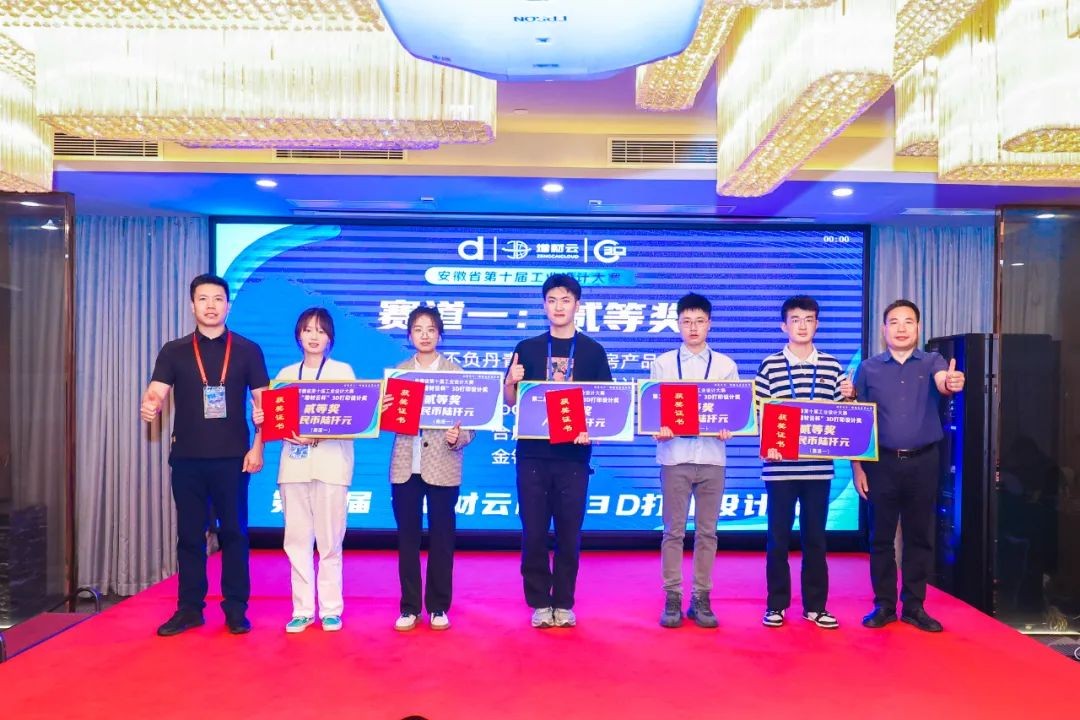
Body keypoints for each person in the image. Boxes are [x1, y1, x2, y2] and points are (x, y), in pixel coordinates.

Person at [141, 273, 269, 636]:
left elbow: (264, 405)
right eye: (203, 299)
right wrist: (150, 405)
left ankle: (236, 609)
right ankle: (189, 609)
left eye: (217, 299)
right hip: (187, 459)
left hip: (233, 459)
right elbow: (156, 392)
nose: (211, 306)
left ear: (228, 305)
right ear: (192, 305)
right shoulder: (174, 350)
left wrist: (258, 446)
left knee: (235, 534)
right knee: (189, 536)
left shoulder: (248, 350)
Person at [844, 299, 965, 632]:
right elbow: (856, 421)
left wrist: (951, 382)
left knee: (919, 536)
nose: (901, 328)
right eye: (894, 322)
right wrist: (857, 468)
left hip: (923, 461)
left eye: (908, 322)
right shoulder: (868, 368)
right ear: (883, 329)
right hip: (880, 463)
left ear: (918, 328)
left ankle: (914, 606)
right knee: (880, 538)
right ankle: (883, 605)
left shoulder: (933, 361)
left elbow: (944, 382)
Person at [504, 274, 612, 629]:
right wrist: (511, 382)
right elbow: (509, 400)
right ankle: (539, 601)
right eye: (551, 300)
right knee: (533, 532)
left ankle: (564, 602)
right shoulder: (527, 347)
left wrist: (593, 431)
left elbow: (606, 404)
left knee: (569, 533)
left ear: (577, 305)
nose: (558, 306)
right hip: (532, 456)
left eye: (565, 300)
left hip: (574, 458)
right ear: (543, 306)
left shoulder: (593, 351)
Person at [254, 308, 355, 633]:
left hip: (331, 466)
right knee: (296, 540)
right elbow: (276, 420)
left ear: (330, 338)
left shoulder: (342, 372)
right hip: (294, 468)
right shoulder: (286, 374)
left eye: (321, 331)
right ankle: (302, 609)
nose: (314, 336)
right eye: (308, 330)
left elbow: (355, 420)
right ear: (298, 335)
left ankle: (331, 609)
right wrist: (264, 420)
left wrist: (320, 434)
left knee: (330, 541)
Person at [754, 295, 847, 630]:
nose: (802, 326)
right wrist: (767, 444)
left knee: (815, 540)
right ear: (784, 326)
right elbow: (760, 412)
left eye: (808, 319)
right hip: (779, 469)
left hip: (818, 470)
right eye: (795, 320)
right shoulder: (770, 365)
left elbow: (842, 416)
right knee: (777, 539)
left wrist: (850, 396)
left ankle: (815, 606)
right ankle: (776, 605)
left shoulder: (833, 366)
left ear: (817, 324)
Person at [650, 293, 737, 629]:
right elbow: (653, 410)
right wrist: (659, 428)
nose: (693, 328)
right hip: (675, 458)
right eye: (686, 322)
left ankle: (701, 597)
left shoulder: (726, 366)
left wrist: (730, 427)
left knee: (707, 533)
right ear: (677, 325)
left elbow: (736, 413)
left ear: (709, 324)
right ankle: (672, 596)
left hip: (713, 457)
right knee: (673, 532)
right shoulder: (663, 364)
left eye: (700, 321)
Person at [387, 306, 474, 632]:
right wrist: (384, 411)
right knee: (407, 540)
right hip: (405, 467)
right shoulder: (398, 374)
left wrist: (458, 437)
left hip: (443, 466)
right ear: (409, 335)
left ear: (440, 334)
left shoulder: (456, 373)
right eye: (418, 329)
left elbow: (472, 424)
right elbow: (387, 421)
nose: (424, 335)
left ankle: (438, 606)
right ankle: (410, 607)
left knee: (442, 539)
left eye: (431, 329)